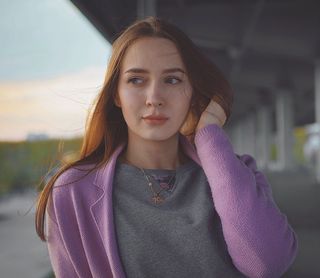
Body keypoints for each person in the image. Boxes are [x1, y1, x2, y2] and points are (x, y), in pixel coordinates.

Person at [35, 16, 298, 278]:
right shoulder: (73, 190)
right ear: (116, 94)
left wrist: (209, 135)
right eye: (136, 80)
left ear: (192, 91)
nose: (154, 98)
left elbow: (268, 264)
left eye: (172, 80)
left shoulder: (237, 173)